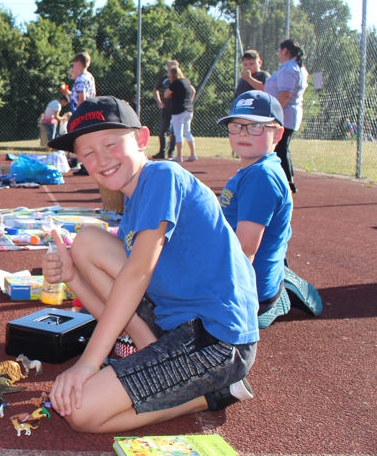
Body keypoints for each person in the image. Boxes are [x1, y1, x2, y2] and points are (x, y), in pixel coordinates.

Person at [43, 96, 258, 433]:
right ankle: (153, 355)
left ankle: (213, 394)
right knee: (87, 242)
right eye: (88, 153)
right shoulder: (133, 206)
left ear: (142, 138)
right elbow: (121, 306)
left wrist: (88, 363)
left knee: (81, 413)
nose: (102, 159)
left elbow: (138, 273)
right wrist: (73, 278)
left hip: (216, 339)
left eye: (111, 144)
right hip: (176, 326)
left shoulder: (162, 176)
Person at [217, 91, 293, 328]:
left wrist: (231, 310)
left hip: (249, 292)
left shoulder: (261, 175)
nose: (243, 133)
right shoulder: (256, 169)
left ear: (277, 134)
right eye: (236, 125)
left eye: (255, 126)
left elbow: (245, 249)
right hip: (256, 281)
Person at [241, 39, 308, 193]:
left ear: (285, 51)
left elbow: (285, 94)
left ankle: (285, 183)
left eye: (279, 50)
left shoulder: (289, 69)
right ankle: (287, 181)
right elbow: (267, 89)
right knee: (281, 148)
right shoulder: (292, 67)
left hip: (284, 114)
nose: (278, 53)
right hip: (287, 114)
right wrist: (250, 79)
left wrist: (273, 112)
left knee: (278, 148)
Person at [164, 62, 196, 162]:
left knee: (178, 133)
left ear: (173, 74)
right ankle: (193, 154)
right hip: (189, 109)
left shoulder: (175, 83)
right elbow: (193, 91)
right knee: (187, 132)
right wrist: (190, 101)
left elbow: (166, 94)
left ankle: (179, 156)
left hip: (178, 110)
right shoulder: (186, 81)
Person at [151, 65, 176, 159]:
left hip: (176, 110)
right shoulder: (164, 78)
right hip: (166, 109)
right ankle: (162, 152)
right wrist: (159, 102)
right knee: (162, 131)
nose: (170, 68)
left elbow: (191, 90)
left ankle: (171, 152)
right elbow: (155, 90)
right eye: (169, 66)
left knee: (174, 132)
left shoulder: (180, 79)